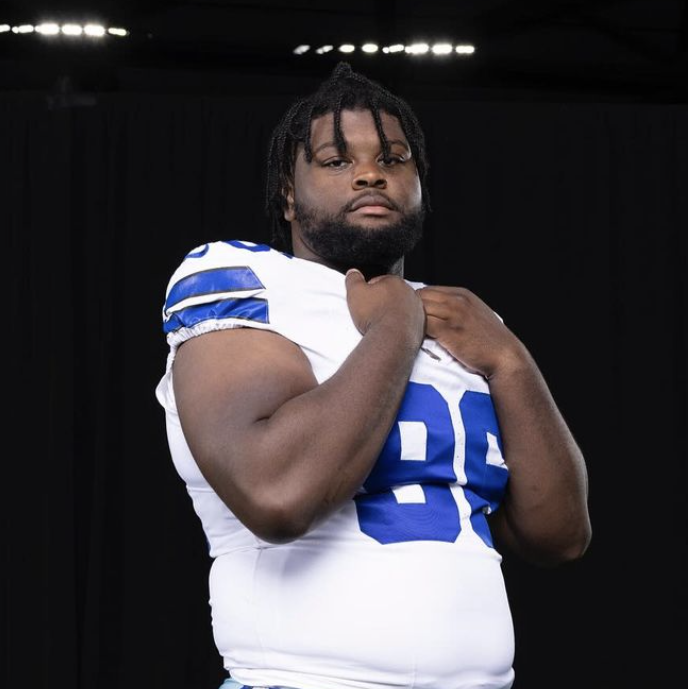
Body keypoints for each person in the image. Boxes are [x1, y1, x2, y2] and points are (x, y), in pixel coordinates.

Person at [155, 62, 591, 689]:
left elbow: (559, 535)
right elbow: (278, 496)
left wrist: (509, 359)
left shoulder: (466, 322)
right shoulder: (246, 281)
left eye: (394, 159)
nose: (370, 173)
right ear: (288, 194)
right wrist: (393, 327)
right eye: (336, 161)